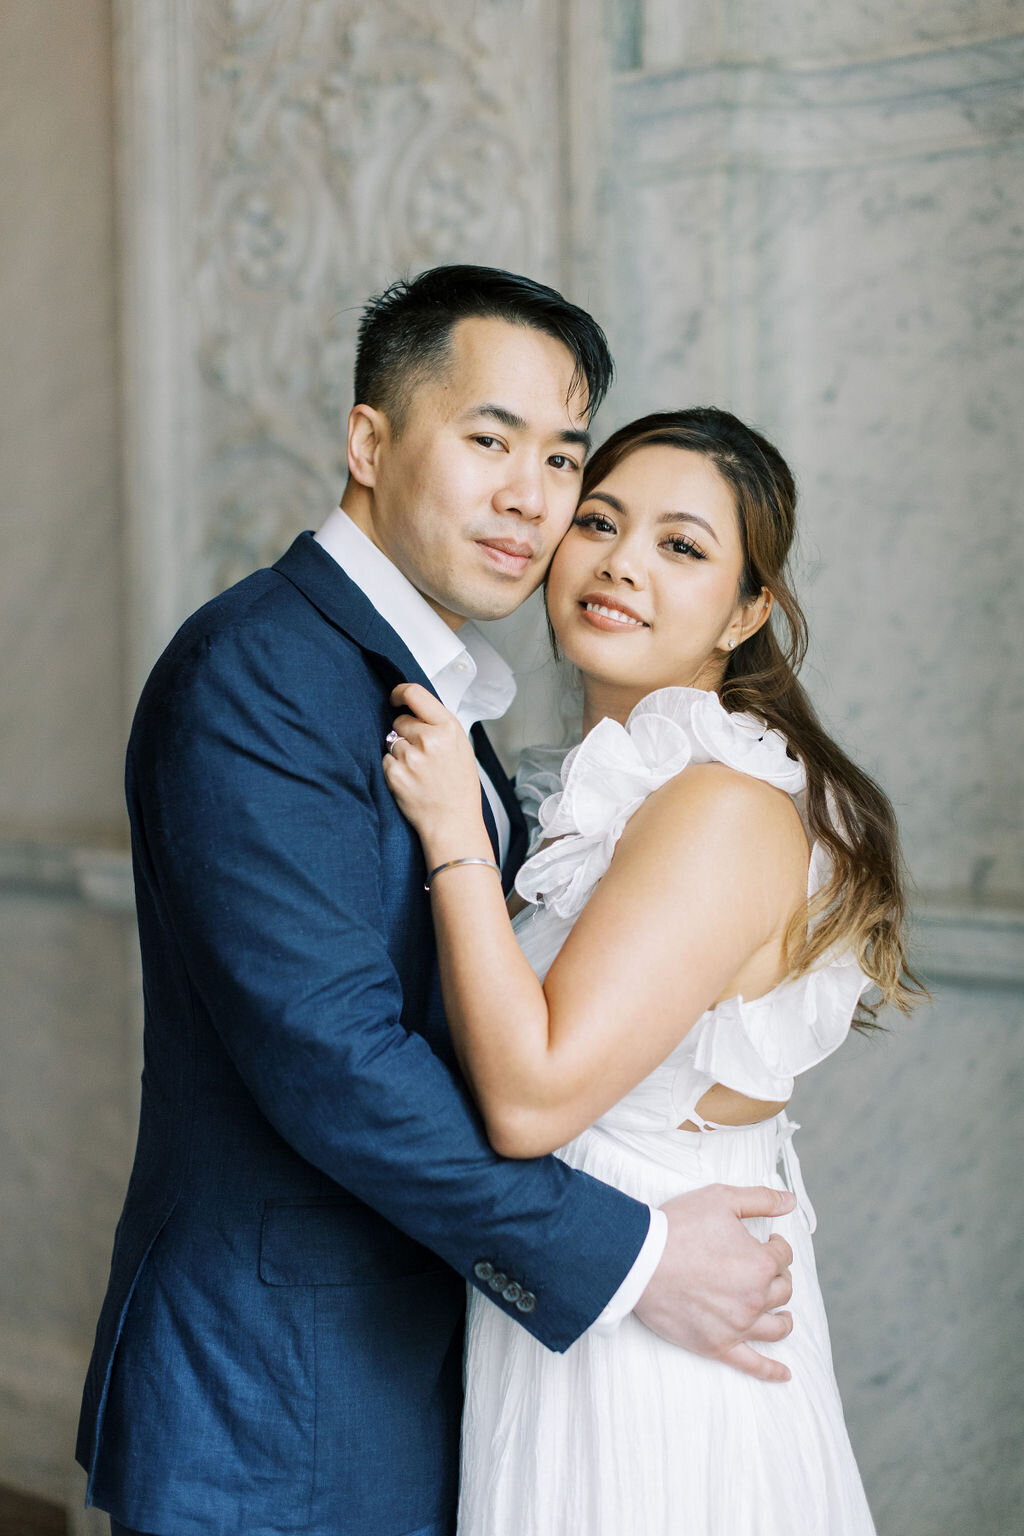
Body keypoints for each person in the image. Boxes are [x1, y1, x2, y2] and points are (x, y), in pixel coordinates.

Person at [76, 271, 798, 1536]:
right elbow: (333, 1057)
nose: (533, 496)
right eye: (488, 439)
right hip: (281, 1386)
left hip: (433, 1361)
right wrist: (625, 1258)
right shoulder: (265, 669)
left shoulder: (442, 698)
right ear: (369, 442)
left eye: (561, 456)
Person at [383, 405, 924, 1535]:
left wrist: (453, 846)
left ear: (746, 611)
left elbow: (530, 1100)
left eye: (680, 547)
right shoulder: (615, 795)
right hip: (585, 1319)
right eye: (599, 521)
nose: (621, 563)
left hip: (656, 1364)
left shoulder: (720, 805)